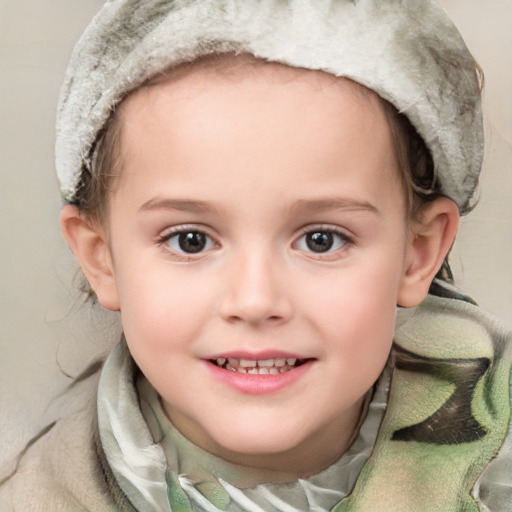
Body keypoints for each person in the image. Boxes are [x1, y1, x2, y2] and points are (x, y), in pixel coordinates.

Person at [0, 1, 510, 511]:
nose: (255, 299)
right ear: (102, 258)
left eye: (321, 239)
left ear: (416, 254)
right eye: (190, 240)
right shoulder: (44, 496)